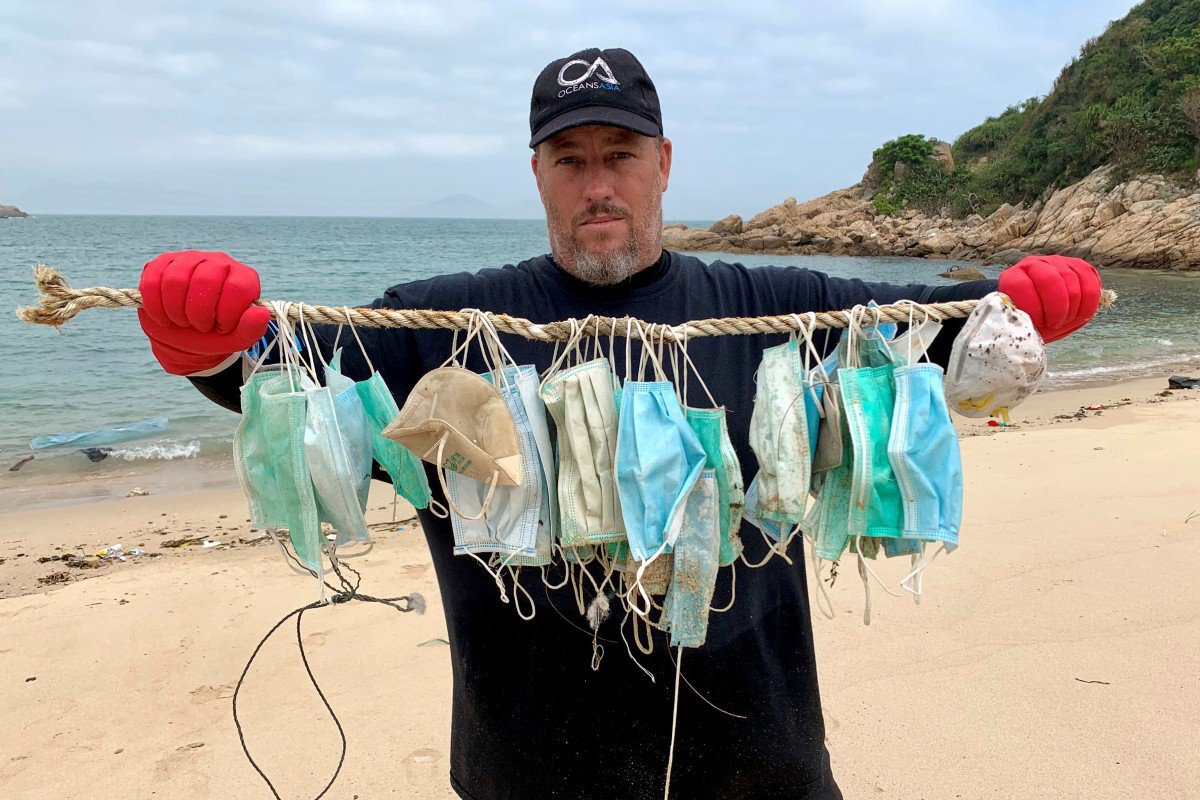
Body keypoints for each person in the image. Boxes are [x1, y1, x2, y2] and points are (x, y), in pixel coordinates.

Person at [134, 48, 1102, 800]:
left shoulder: (777, 306)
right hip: (526, 777)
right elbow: (299, 382)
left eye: (621, 155)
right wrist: (211, 347)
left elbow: (913, 334)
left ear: (664, 163)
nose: (599, 184)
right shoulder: (443, 327)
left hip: (765, 774)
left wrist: (1007, 305)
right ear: (538, 174)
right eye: (571, 159)